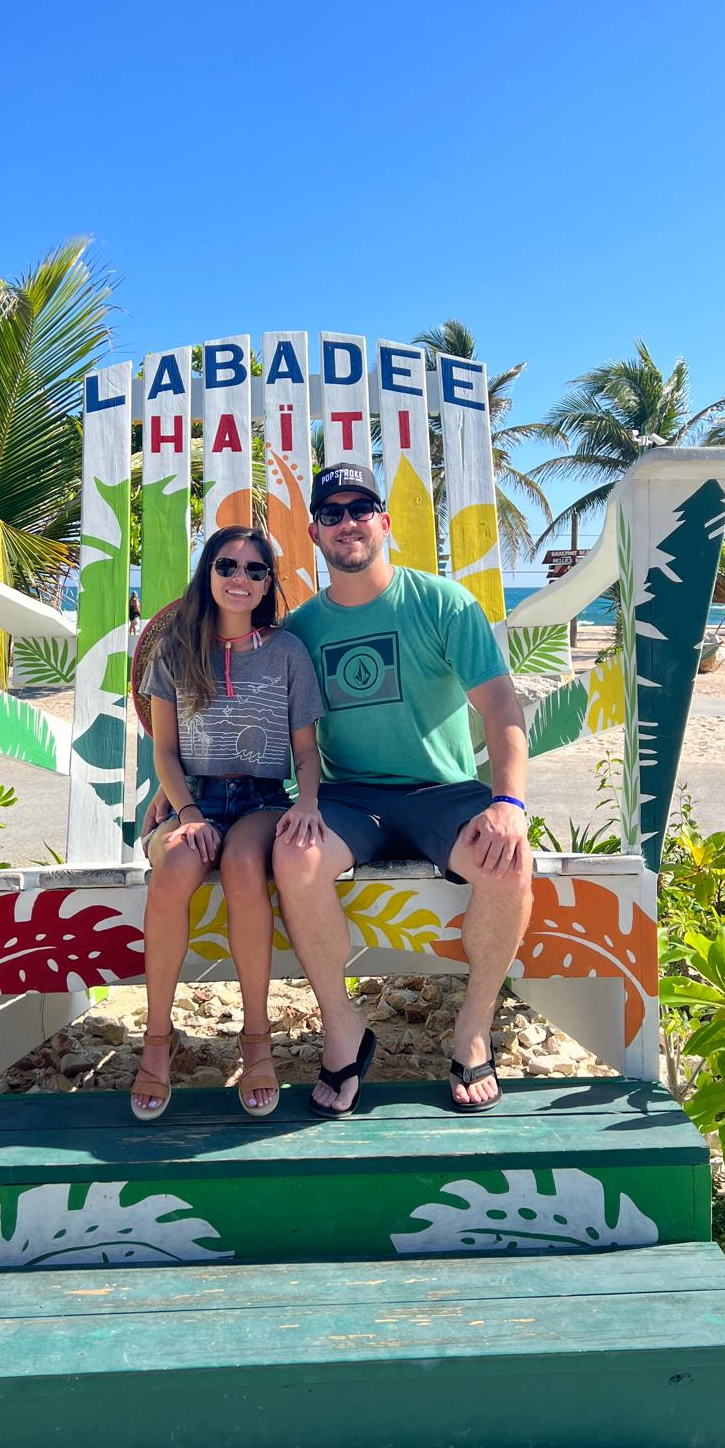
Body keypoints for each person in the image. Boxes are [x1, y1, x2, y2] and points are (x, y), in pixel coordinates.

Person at [272, 463, 533, 1118]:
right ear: (314, 533)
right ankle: (344, 1028)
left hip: (440, 793)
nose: (347, 522)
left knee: (509, 865)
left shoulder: (442, 604)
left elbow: (502, 706)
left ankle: (472, 1029)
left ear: (383, 523)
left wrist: (508, 803)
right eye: (331, 513)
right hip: (348, 797)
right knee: (295, 860)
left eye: (361, 508)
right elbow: (259, 722)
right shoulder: (300, 631)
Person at [132, 525, 325, 1122]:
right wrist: (185, 810)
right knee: (175, 869)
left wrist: (309, 802)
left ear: (268, 584)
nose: (240, 578)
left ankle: (257, 1039)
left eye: (255, 570)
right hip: (193, 798)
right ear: (208, 574)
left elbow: (306, 751)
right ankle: (157, 1041)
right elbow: (164, 751)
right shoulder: (175, 649)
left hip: (263, 801)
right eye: (227, 566)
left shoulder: (287, 652)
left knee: (243, 865)